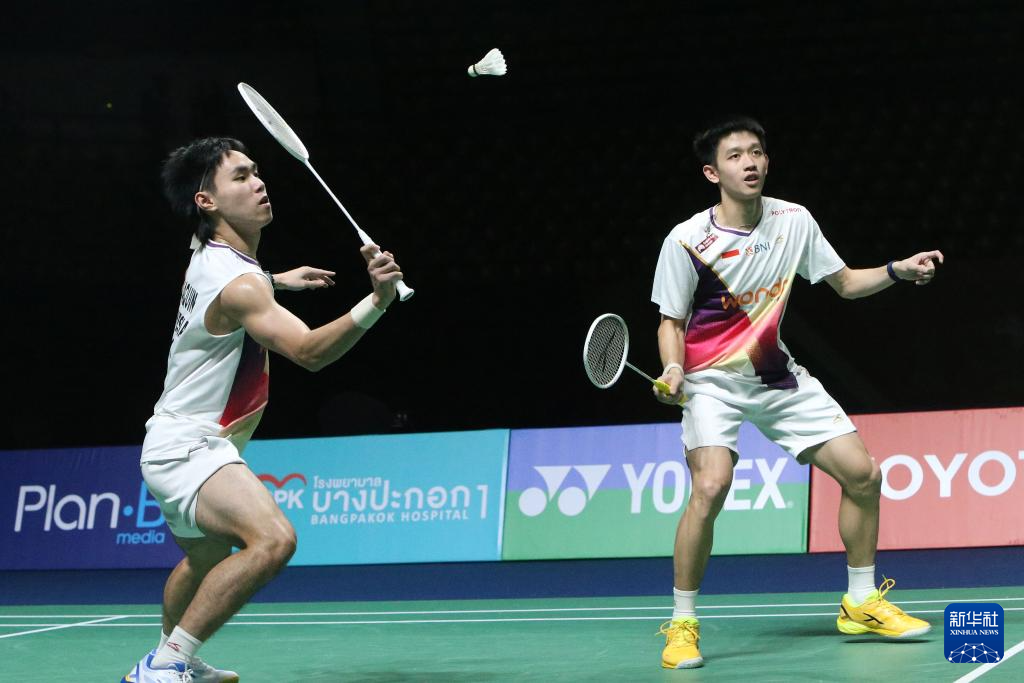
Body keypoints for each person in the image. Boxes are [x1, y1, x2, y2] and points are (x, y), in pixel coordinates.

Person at [651, 117, 942, 669]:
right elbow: (671, 321)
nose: (750, 162)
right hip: (710, 382)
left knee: (863, 474)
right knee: (710, 485)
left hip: (774, 373)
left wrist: (896, 271)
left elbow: (846, 283)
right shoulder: (687, 240)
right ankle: (683, 623)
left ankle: (861, 601)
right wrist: (673, 369)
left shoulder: (794, 220)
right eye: (735, 155)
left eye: (756, 152)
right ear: (712, 173)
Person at [122, 137, 403, 682]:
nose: (259, 183)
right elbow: (310, 352)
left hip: (168, 442)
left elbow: (235, 291)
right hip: (190, 448)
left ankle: (172, 659)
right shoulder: (240, 282)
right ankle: (166, 665)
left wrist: (275, 281)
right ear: (206, 201)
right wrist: (376, 301)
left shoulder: (210, 257)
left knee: (204, 560)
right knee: (274, 540)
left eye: (256, 172)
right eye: (241, 176)